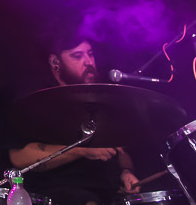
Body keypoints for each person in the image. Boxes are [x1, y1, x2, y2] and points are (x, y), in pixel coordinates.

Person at [8, 31, 140, 205]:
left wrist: (126, 171)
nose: (88, 62)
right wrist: (82, 150)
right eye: (77, 56)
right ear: (55, 62)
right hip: (56, 193)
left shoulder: (102, 96)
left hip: (108, 192)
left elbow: (121, 149)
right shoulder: (37, 99)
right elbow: (18, 157)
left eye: (90, 54)